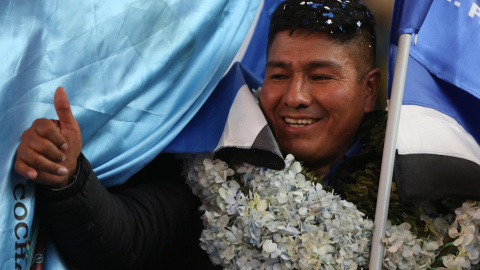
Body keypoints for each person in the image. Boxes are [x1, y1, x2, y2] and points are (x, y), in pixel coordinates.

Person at [14, 0, 382, 269]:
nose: (295, 97)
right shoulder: (217, 154)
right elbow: (127, 240)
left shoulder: (416, 185)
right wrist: (69, 176)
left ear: (368, 91)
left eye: (320, 77)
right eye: (279, 75)